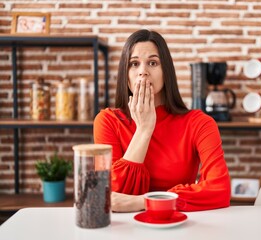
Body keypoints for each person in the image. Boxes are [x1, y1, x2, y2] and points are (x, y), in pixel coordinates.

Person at [93, 29, 231, 212]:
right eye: (134, 64)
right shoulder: (107, 121)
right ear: (125, 75)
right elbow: (110, 196)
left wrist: (146, 202)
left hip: (179, 223)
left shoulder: (199, 123)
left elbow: (219, 190)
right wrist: (143, 130)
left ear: (166, 71)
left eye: (153, 63)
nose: (143, 72)